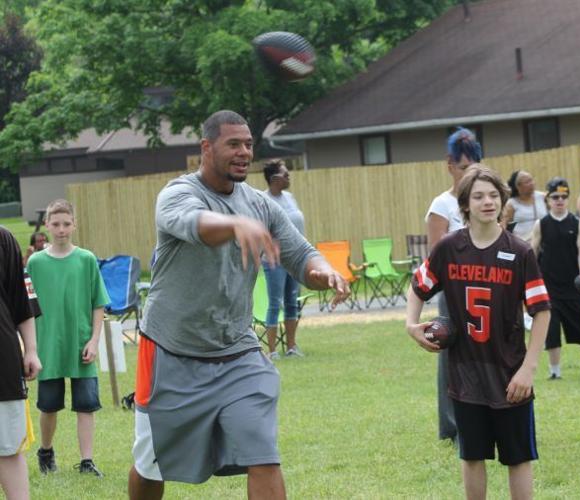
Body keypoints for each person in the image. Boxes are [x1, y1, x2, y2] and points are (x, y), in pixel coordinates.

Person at [128, 110, 350, 499]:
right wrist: (234, 225)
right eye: (233, 144)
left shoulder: (259, 205)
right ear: (206, 147)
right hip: (170, 350)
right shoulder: (178, 194)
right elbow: (195, 225)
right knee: (151, 463)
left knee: (263, 453)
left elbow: (299, 254)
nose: (244, 152)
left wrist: (325, 271)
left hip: (237, 352)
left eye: (248, 144)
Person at [407, 165, 551, 500]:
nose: (487, 202)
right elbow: (419, 286)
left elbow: (541, 312)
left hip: (510, 373)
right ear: (465, 205)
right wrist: (411, 325)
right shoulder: (448, 248)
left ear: (502, 201)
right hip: (465, 374)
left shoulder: (519, 251)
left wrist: (528, 369)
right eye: (478, 196)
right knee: (472, 456)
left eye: (493, 195)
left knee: (518, 457)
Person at [26, 199, 110, 477]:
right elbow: (24, 306)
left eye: (66, 223)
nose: (61, 229)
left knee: (86, 406)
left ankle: (87, 461)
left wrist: (94, 340)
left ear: (74, 224)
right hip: (47, 347)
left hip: (81, 344)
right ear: (47, 226)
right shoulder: (35, 263)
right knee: (48, 406)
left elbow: (98, 303)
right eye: (55, 224)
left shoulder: (86, 259)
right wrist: (30, 347)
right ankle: (46, 451)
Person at [425, 127, 482, 443]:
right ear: (449, 164)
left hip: (486, 289)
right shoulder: (442, 205)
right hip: (454, 291)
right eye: (463, 167)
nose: (469, 173)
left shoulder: (484, 200)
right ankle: (453, 425)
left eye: (475, 167)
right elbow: (437, 256)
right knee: (453, 356)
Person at [530, 177, 580, 379]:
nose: (559, 200)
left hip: (573, 286)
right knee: (551, 331)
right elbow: (533, 252)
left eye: (563, 197)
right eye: (555, 197)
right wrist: (530, 279)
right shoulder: (541, 225)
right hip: (549, 287)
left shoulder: (577, 223)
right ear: (548, 200)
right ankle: (555, 372)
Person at [0, 226, 42, 500]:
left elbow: (21, 300)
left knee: (9, 447)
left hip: (2, 363)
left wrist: (31, 350)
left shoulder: (3, 239)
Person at [262, 159, 305, 360]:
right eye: (286, 175)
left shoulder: (289, 197)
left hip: (294, 259)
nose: (289, 178)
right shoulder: (264, 200)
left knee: (291, 302)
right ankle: (271, 351)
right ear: (275, 179)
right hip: (275, 260)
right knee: (274, 303)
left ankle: (291, 346)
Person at [501, 170, 547, 242]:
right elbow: (503, 225)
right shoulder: (511, 204)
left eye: (531, 180)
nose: (531, 183)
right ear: (518, 186)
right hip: (522, 244)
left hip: (543, 242)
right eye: (527, 182)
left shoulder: (543, 197)